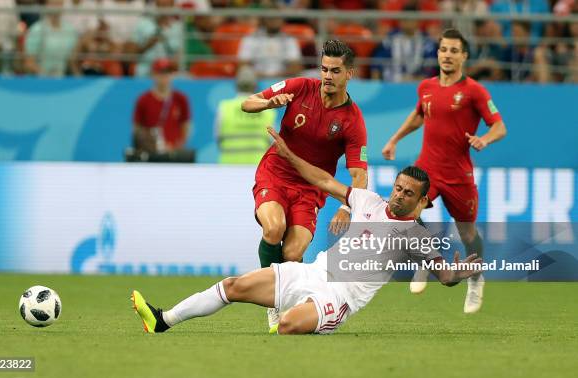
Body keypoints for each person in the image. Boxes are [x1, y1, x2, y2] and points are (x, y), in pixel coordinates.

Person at [130, 128, 482, 335]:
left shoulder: (417, 235)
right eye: (399, 188)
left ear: (422, 201)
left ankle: (297, 318)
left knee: (285, 327)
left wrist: (460, 273)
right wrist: (288, 153)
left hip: (339, 298)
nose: (401, 195)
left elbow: (444, 274)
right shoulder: (367, 200)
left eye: (409, 193)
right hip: (313, 271)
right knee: (233, 286)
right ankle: (163, 320)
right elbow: (323, 180)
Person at [240, 39, 368, 330]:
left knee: (294, 253)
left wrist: (347, 207)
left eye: (335, 71)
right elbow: (248, 102)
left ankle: (292, 302)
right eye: (324, 69)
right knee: (274, 228)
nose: (327, 76)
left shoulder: (352, 121)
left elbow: (359, 175)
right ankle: (273, 303)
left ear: (349, 74)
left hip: (310, 189)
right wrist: (267, 103)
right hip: (276, 172)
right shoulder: (299, 87)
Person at [381, 28, 507, 314]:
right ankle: (426, 264)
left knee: (468, 233)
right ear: (437, 53)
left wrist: (484, 139)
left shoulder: (474, 91)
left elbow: (500, 126)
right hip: (427, 168)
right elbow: (418, 116)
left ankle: (476, 278)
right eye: (443, 50)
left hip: (458, 174)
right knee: (408, 214)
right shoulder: (425, 86)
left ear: (463, 56)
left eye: (453, 51)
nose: (447, 55)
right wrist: (394, 139)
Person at [215, 66, 276, 164]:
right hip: (258, 166)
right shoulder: (267, 109)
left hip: (228, 165)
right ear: (255, 86)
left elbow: (218, 138)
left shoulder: (224, 107)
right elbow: (272, 142)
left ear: (236, 85)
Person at [132, 58, 191, 154]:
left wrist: (177, 147)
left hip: (173, 153)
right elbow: (137, 129)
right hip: (150, 153)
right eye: (161, 72)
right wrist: (150, 146)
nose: (165, 76)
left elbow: (186, 126)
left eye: (168, 72)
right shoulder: (143, 100)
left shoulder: (181, 99)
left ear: (173, 75)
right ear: (153, 74)